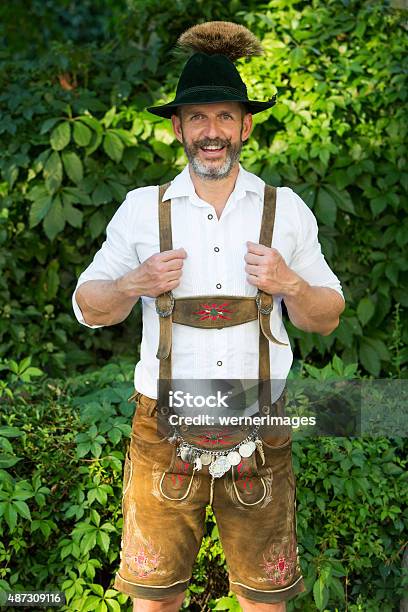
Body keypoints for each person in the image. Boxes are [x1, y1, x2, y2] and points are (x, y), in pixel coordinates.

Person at [72, 21, 345, 612]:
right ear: (178, 128)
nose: (212, 131)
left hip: (262, 423)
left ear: (246, 125)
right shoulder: (142, 210)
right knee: (154, 600)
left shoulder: (286, 210)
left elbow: (327, 316)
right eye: (198, 117)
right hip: (161, 427)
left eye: (225, 116)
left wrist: (290, 282)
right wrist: (132, 283)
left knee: (267, 601)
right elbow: (87, 306)